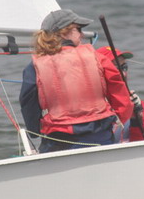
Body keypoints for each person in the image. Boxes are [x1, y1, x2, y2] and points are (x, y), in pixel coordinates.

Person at [19, 9, 133, 153]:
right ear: (64, 33)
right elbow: (120, 95)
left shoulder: (35, 66)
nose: (82, 34)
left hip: (60, 140)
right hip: (100, 137)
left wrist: (34, 131)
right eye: (78, 29)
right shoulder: (98, 58)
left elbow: (28, 102)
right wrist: (119, 119)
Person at [95, 47, 144, 142]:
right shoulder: (88, 108)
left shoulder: (138, 105)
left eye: (124, 67)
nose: (123, 74)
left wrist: (136, 120)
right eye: (114, 68)